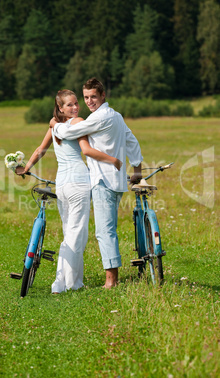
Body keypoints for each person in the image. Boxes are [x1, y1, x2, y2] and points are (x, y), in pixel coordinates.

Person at [16, 89, 122, 294]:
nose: (75, 107)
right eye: (70, 105)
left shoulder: (54, 126)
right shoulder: (76, 122)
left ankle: (74, 280)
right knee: (76, 233)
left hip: (62, 184)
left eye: (76, 103)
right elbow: (86, 150)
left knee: (71, 231)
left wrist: (26, 167)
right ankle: (62, 283)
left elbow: (40, 150)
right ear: (60, 108)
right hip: (78, 182)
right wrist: (113, 160)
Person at [50, 78, 143, 289]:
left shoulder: (98, 118)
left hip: (103, 180)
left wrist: (54, 123)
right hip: (116, 181)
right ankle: (111, 277)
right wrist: (136, 168)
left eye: (93, 96)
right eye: (86, 97)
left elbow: (67, 132)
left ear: (103, 96)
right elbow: (131, 140)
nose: (89, 101)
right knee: (107, 228)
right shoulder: (116, 116)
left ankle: (111, 281)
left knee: (104, 231)